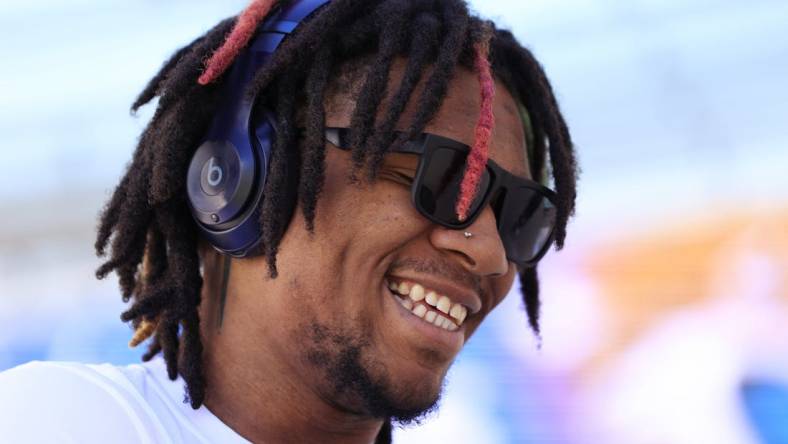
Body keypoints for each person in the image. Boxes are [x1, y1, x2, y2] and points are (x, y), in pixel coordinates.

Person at [0, 0, 577, 442]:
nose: (491, 254)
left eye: (522, 214)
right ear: (239, 172)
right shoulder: (66, 421)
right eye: (444, 179)